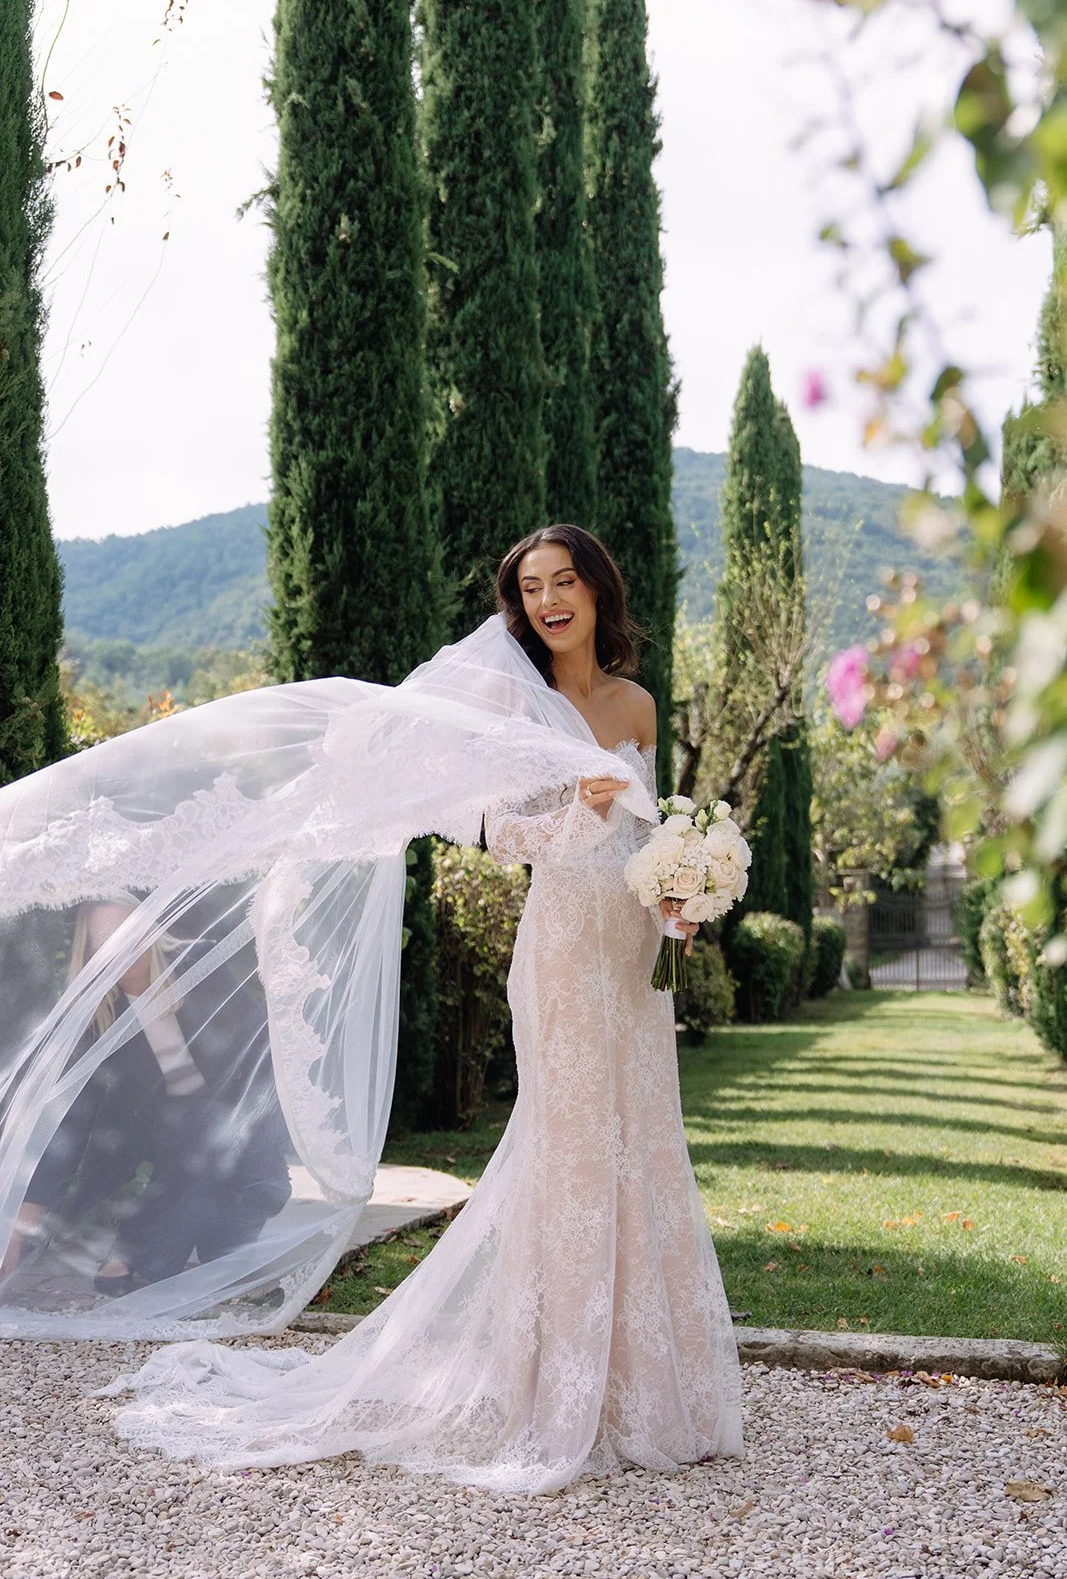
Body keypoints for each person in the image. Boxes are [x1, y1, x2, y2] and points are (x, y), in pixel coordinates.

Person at [98, 525, 743, 1493]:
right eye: (531, 588)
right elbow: (488, 831)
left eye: (564, 581)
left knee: (639, 1140)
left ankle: (648, 1387)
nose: (548, 599)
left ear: (598, 591)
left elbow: (651, 831)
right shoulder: (503, 698)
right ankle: (551, 1392)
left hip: (631, 951)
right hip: (563, 947)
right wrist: (584, 814)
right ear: (518, 606)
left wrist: (677, 899)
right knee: (570, 1145)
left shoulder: (638, 706)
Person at [0, 897, 291, 1295]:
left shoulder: (198, 965)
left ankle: (218, 1255)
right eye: (107, 938)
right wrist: (16, 1232)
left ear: (151, 929)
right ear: (90, 953)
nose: (124, 945)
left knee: (264, 1181)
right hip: (152, 1131)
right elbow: (72, 1118)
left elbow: (259, 1036)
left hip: (233, 1107)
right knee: (205, 1130)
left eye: (131, 930)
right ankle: (163, 1257)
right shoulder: (95, 1020)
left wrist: (268, 1107)